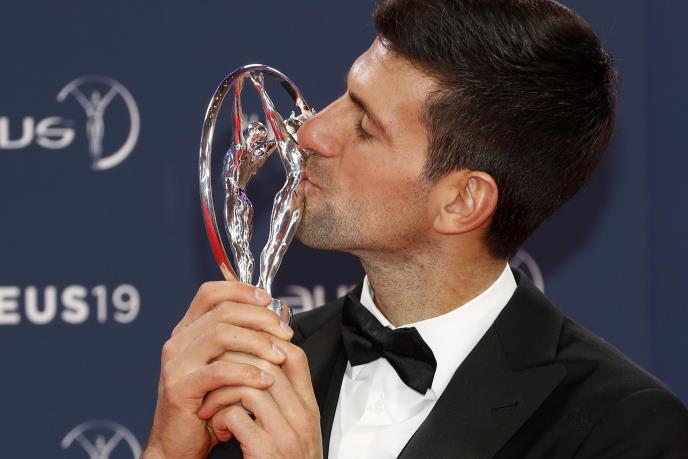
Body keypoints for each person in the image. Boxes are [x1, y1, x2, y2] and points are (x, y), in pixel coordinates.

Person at [143, 1, 688, 458]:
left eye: (365, 125)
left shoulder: (624, 430)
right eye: (344, 94)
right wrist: (168, 451)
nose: (311, 132)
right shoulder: (256, 368)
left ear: (462, 201)